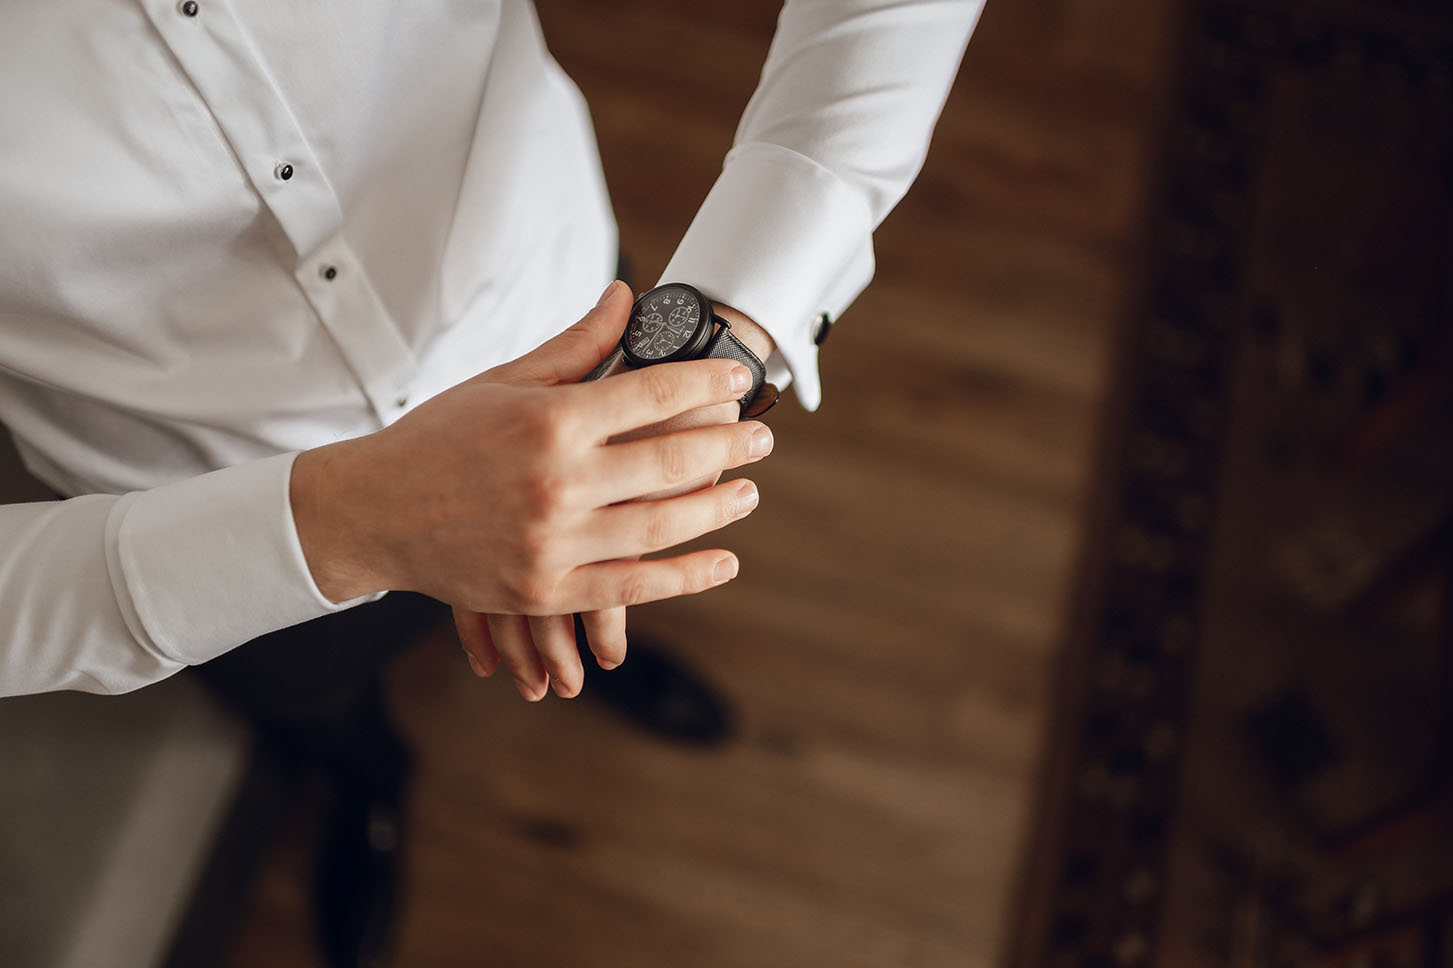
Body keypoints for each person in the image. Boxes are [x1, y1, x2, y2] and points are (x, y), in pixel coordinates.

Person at [0, 0, 984, 963]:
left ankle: (608, 656)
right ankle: (369, 780)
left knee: (604, 601)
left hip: (564, 326)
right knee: (319, 703)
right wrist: (348, 525)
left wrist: (724, 328)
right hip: (219, 512)